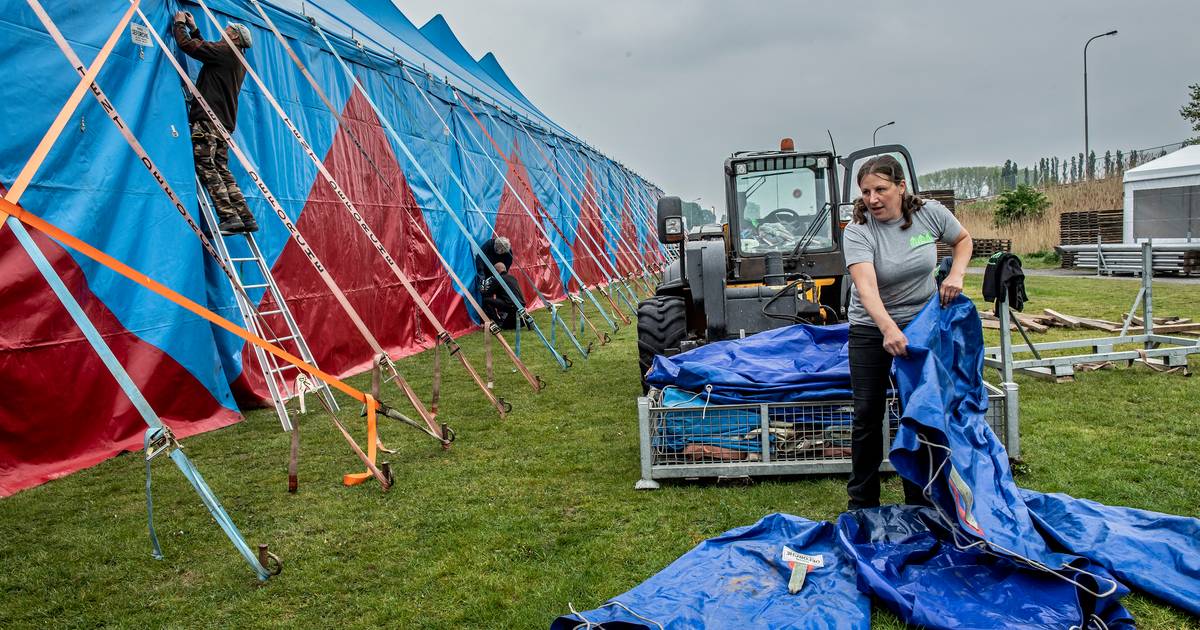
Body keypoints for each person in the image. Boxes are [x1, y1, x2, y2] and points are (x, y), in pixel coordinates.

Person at [841, 155, 973, 510]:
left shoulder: (929, 214)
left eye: (880, 189)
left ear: (901, 187)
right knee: (867, 414)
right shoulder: (858, 230)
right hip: (871, 328)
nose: (872, 199)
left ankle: (920, 498)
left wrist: (956, 274)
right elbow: (867, 288)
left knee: (918, 409)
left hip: (921, 326)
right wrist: (888, 328)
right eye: (866, 191)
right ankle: (862, 503)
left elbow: (962, 240)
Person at [172, 11, 257, 235]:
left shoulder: (225, 51)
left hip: (208, 120)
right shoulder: (237, 58)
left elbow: (188, 46)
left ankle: (229, 217)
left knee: (206, 165)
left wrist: (179, 25)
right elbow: (208, 50)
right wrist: (195, 29)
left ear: (235, 37)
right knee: (221, 168)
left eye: (228, 29)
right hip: (223, 123)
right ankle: (245, 216)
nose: (224, 30)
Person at [475, 236, 523, 329]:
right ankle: (487, 318)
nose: (500, 253)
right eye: (499, 251)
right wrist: (482, 275)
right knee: (488, 295)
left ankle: (499, 318)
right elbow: (479, 258)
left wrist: (502, 277)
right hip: (487, 271)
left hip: (499, 274)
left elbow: (507, 265)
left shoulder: (508, 252)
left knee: (496, 294)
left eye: (502, 252)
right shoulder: (489, 245)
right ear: (496, 247)